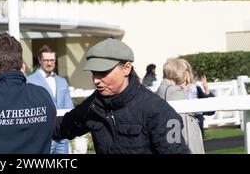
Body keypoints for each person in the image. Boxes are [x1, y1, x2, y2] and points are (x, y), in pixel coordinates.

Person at [54, 38, 190, 154]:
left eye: (103, 72)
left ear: (127, 68)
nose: (96, 80)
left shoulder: (158, 111)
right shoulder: (94, 104)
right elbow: (62, 127)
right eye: (94, 73)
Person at [27, 45, 74, 154]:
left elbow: (69, 107)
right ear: (39, 60)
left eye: (52, 60)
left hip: (63, 135)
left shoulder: (62, 81)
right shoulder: (29, 81)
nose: (49, 63)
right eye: (46, 60)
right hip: (43, 136)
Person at [156, 58, 205, 154]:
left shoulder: (163, 87)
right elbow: (194, 110)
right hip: (184, 138)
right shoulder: (174, 91)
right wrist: (185, 91)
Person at [184, 63, 215, 137]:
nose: (187, 78)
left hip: (197, 120)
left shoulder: (196, 89)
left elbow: (209, 108)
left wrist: (206, 88)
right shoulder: (176, 90)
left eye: (188, 75)